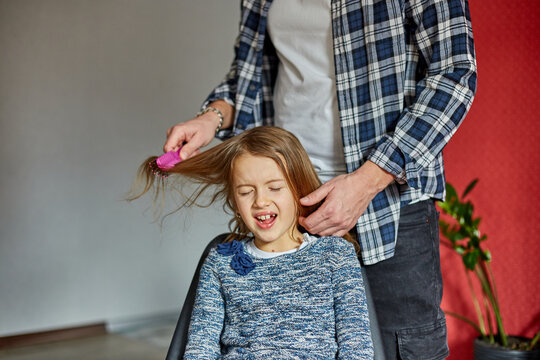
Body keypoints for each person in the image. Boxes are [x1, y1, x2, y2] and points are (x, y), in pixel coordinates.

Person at [163, 1, 477, 358]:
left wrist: (368, 181)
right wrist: (212, 117)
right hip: (294, 196)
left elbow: (455, 73)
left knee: (403, 346)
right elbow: (248, 76)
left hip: (389, 198)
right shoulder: (225, 260)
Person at [131, 126, 374, 359]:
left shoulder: (335, 255)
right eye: (246, 192)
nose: (260, 201)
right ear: (235, 202)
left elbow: (357, 347)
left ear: (299, 189)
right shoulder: (220, 262)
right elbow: (200, 347)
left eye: (275, 188)